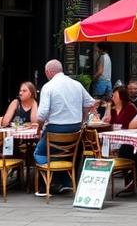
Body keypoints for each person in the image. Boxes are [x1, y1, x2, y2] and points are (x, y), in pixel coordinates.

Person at [34, 59, 96, 196]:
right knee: (66, 154)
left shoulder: (48, 87)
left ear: (48, 72)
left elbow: (41, 114)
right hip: (74, 129)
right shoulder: (77, 84)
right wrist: (82, 119)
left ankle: (50, 184)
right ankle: (66, 182)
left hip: (55, 129)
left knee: (39, 153)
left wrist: (38, 129)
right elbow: (90, 103)